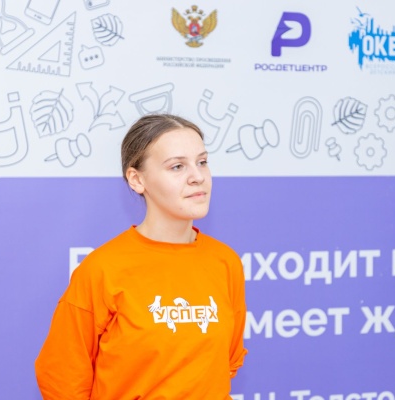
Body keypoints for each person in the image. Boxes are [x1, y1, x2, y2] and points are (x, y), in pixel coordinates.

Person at [35, 114, 248, 399]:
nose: (198, 177)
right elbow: (62, 378)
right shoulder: (102, 269)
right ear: (137, 180)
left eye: (202, 162)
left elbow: (226, 363)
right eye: (177, 166)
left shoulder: (225, 262)